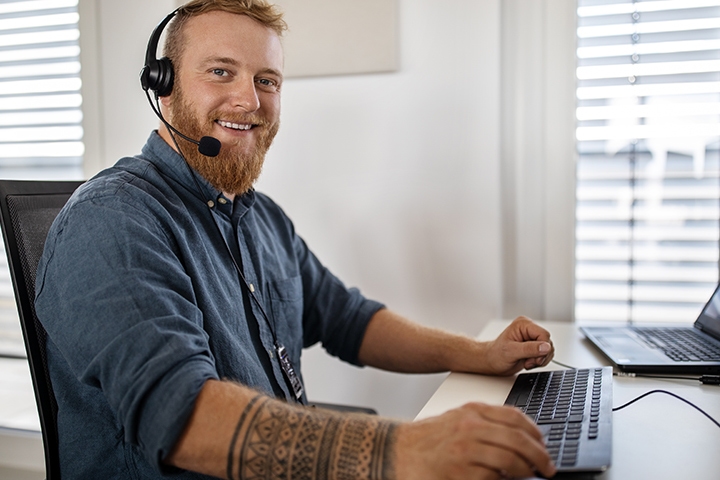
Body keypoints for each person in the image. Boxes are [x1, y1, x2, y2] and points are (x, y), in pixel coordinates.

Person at [34, 1, 557, 479]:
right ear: (163, 85)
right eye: (221, 71)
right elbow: (183, 416)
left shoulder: (260, 219)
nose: (249, 100)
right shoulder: (114, 220)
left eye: (268, 80)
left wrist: (479, 353)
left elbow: (348, 320)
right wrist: (405, 448)